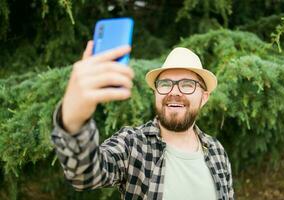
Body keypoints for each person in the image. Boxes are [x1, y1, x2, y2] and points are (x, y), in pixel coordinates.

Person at [51, 41, 234, 200]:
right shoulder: (133, 143)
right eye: (165, 84)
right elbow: (84, 175)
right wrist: (73, 119)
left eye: (187, 84)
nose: (174, 91)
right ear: (155, 92)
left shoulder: (217, 151)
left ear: (204, 97)